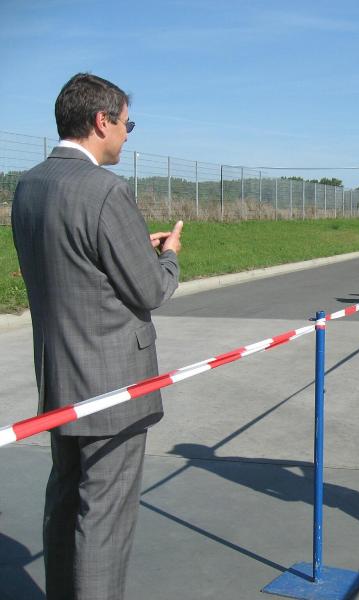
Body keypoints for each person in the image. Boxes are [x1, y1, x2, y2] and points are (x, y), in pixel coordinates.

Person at [11, 73, 183, 600]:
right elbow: (150, 289)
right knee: (103, 520)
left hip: (59, 379)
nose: (128, 134)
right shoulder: (106, 190)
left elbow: (74, 263)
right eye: (127, 124)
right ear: (101, 121)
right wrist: (169, 256)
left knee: (65, 503)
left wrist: (132, 244)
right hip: (113, 387)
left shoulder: (30, 185)